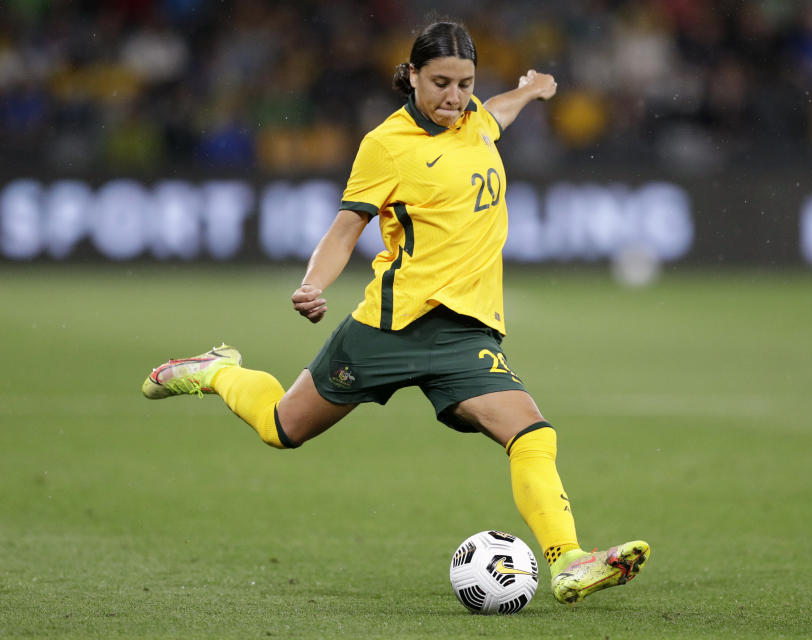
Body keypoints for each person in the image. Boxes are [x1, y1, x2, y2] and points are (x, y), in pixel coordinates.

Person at [141, 21, 649, 605]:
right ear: (411, 75)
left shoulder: (475, 121)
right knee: (283, 429)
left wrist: (531, 90)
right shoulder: (387, 145)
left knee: (532, 432)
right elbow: (345, 226)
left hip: (463, 333)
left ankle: (568, 561)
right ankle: (216, 371)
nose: (453, 97)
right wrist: (312, 284)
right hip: (389, 327)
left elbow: (496, 115)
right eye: (439, 83)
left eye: (464, 83)